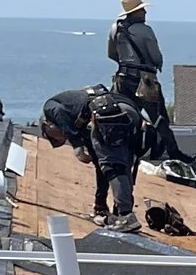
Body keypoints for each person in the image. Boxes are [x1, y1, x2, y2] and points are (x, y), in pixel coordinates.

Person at [41, 83, 142, 231]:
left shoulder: (50, 107)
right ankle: (118, 214)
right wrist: (100, 205)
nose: (60, 139)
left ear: (47, 124)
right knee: (118, 165)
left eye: (53, 138)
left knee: (113, 167)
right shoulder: (83, 122)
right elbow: (100, 169)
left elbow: (59, 113)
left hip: (107, 115)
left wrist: (76, 146)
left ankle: (126, 216)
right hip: (129, 110)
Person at [107, 0, 193, 165]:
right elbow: (156, 57)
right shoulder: (145, 30)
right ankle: (173, 152)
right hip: (144, 80)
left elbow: (111, 54)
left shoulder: (115, 28)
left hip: (122, 80)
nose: (145, 13)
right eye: (142, 10)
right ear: (135, 13)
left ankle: (122, 149)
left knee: (124, 114)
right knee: (160, 117)